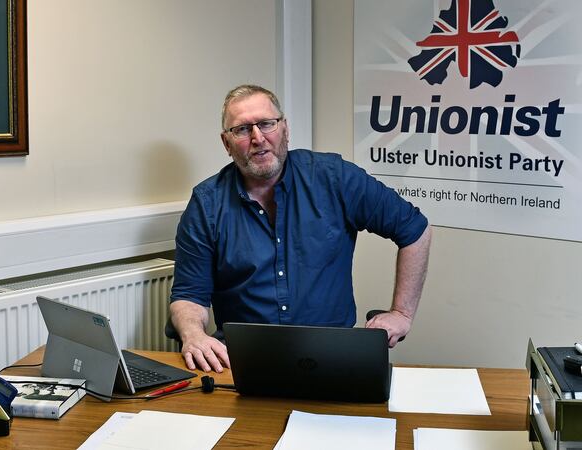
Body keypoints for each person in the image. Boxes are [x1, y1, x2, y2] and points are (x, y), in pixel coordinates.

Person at [169, 84, 432, 372]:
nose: (258, 138)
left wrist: (402, 313)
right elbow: (189, 294)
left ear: (285, 129)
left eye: (267, 124)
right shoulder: (207, 204)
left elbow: (415, 230)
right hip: (243, 361)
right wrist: (193, 334)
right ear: (226, 143)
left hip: (332, 356)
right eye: (242, 129)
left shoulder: (334, 178)